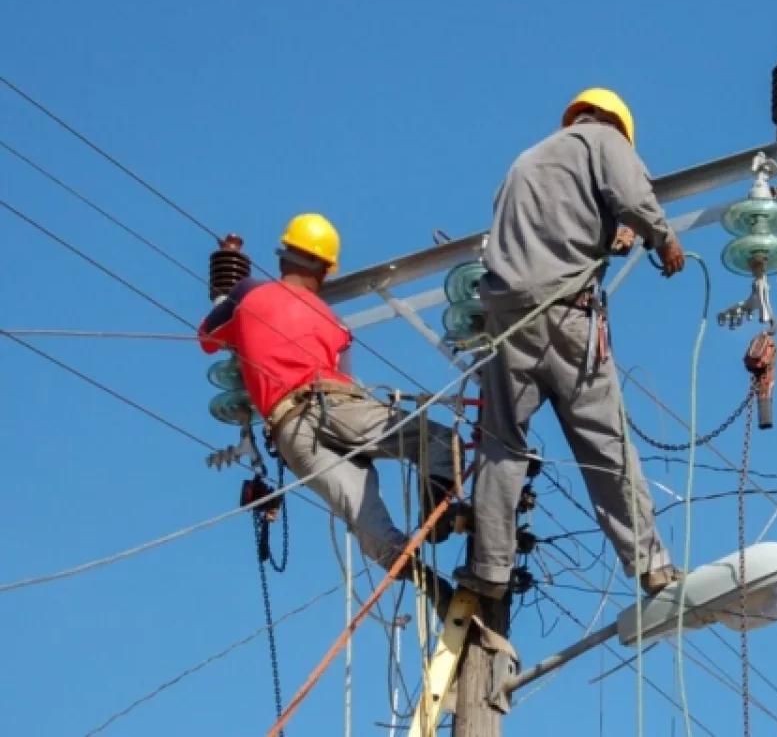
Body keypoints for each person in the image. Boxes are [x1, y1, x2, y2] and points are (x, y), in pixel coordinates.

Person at [454, 88, 687, 600]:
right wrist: (662, 237)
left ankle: (490, 569)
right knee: (604, 442)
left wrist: (606, 239)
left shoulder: (525, 161)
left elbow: (543, 234)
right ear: (614, 124)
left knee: (501, 443)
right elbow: (632, 195)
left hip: (507, 321)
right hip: (566, 316)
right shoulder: (603, 139)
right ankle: (650, 562)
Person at [198, 213, 457, 604]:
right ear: (324, 270)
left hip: (289, 432)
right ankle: (436, 512)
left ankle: (418, 574)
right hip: (334, 405)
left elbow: (207, 336)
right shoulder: (334, 325)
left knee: (360, 510)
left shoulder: (249, 295)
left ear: (283, 257)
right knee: (437, 440)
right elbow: (345, 384)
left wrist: (234, 298)